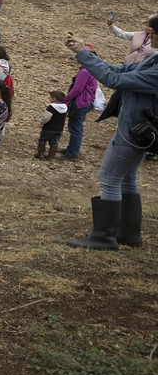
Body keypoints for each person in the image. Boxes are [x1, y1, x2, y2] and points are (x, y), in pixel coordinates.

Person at [66, 18, 158, 249]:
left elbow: (114, 79)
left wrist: (83, 55)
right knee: (126, 178)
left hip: (133, 131)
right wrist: (87, 51)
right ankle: (128, 234)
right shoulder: (155, 57)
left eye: (153, 32)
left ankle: (104, 237)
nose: (149, 34)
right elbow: (121, 69)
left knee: (109, 178)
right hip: (139, 130)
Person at [37, 90, 69, 160]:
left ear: (54, 99)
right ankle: (51, 156)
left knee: (42, 140)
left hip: (48, 128)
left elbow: (46, 117)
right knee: (54, 142)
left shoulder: (51, 107)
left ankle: (40, 154)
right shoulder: (65, 107)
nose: (49, 99)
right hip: (59, 129)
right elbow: (66, 115)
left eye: (50, 97)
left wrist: (41, 122)